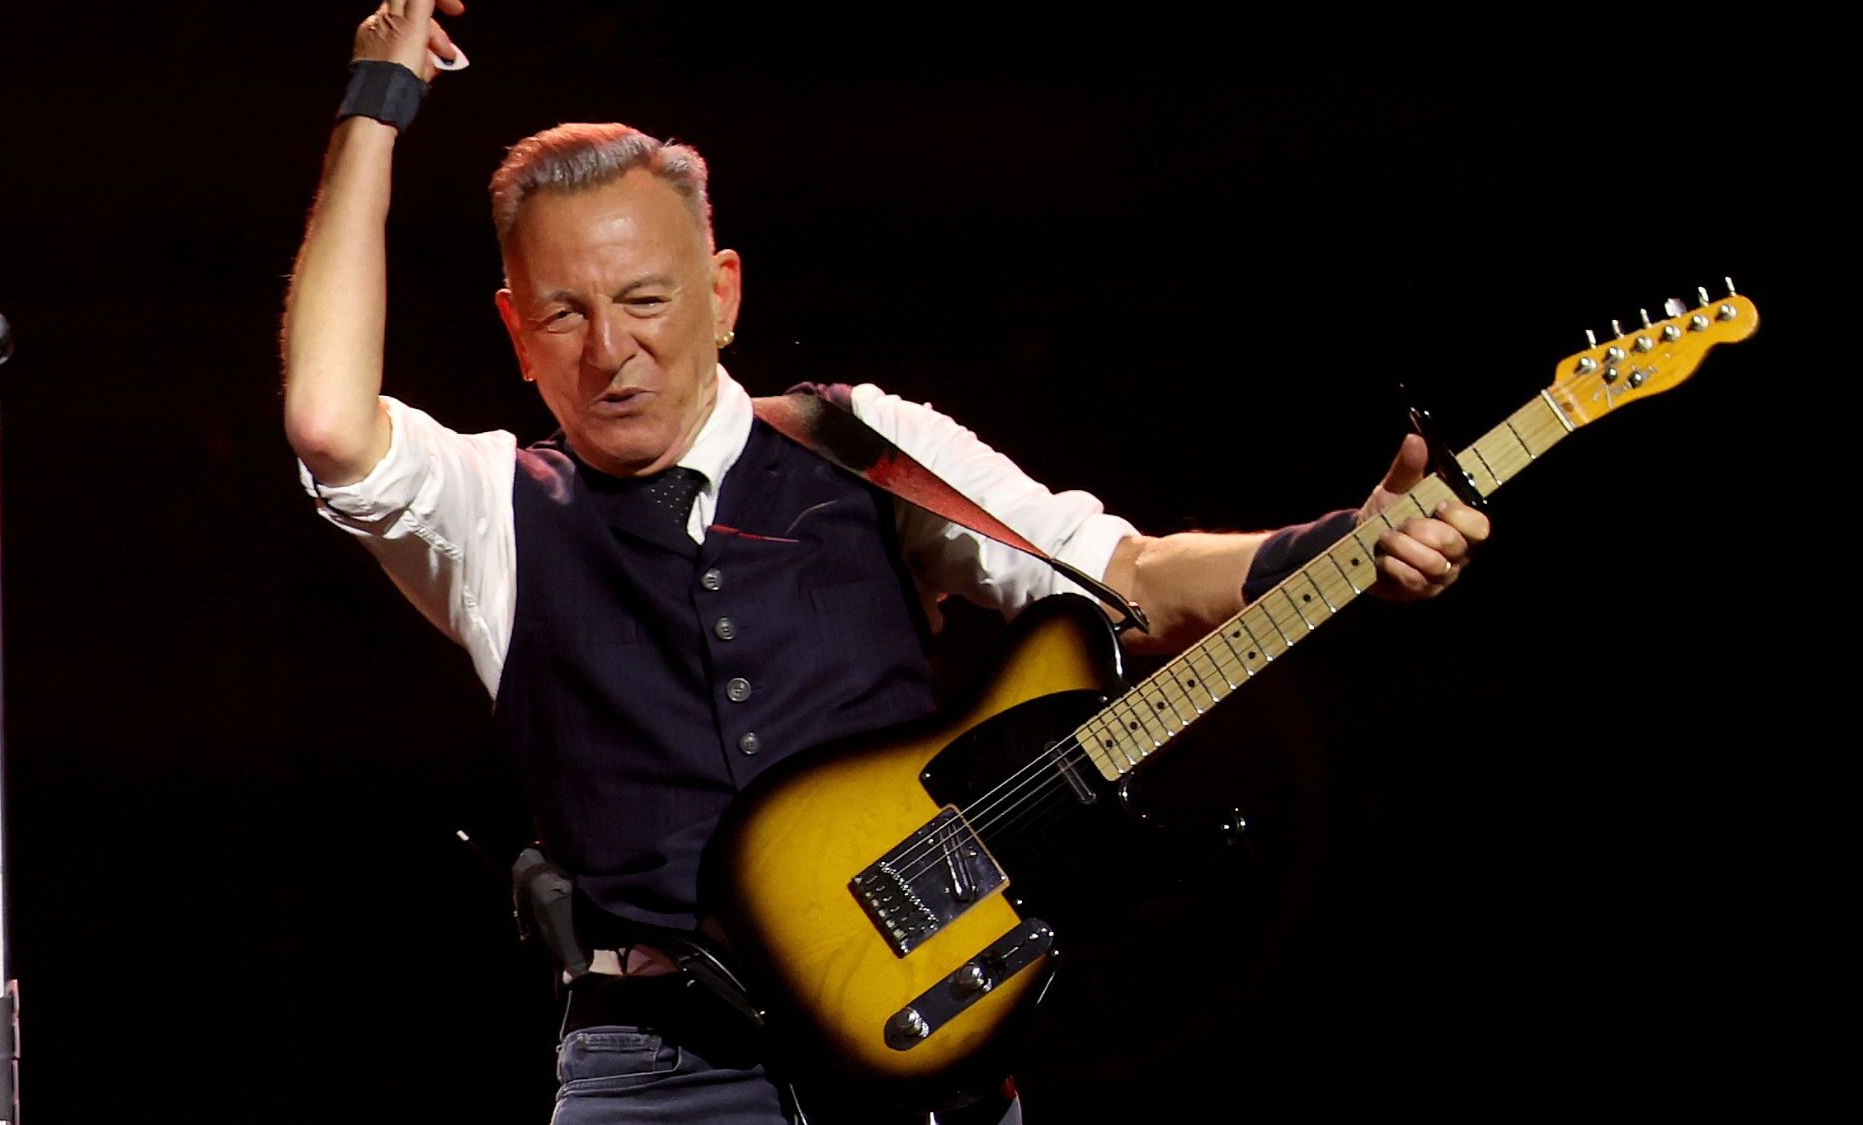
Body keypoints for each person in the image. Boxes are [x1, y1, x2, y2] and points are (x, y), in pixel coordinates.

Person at [281, 3, 1491, 1122]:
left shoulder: (866, 445)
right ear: (513, 332)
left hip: (925, 1046)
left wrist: (1345, 542)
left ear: (723, 293)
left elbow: (1130, 576)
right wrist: (376, 103)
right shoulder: (491, 507)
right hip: (655, 1071)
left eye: (647, 300)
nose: (612, 352)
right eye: (563, 315)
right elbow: (331, 424)